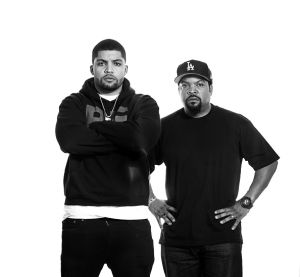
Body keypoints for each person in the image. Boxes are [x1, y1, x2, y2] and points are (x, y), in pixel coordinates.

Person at [148, 59, 279, 277]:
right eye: (185, 85)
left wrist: (246, 202)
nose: (192, 90)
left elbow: (267, 163)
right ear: (178, 89)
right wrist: (151, 200)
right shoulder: (164, 127)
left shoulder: (235, 124)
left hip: (222, 239)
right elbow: (136, 168)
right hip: (177, 241)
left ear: (211, 88)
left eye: (199, 84)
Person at [55, 39, 160, 277]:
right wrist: (126, 136)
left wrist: (96, 127)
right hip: (81, 217)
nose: (109, 69)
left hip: (132, 218)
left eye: (116, 63)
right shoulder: (73, 103)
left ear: (125, 68)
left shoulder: (143, 103)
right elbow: (69, 141)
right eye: (102, 63)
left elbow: (142, 140)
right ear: (92, 68)